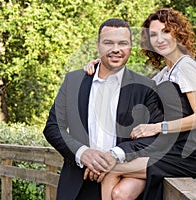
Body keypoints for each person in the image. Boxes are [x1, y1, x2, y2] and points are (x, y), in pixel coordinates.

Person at [83, 8, 196, 200]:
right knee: (120, 194)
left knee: (110, 169)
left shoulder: (186, 67)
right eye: (153, 35)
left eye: (166, 31)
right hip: (163, 148)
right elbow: (132, 83)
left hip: (185, 152)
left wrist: (157, 127)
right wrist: (101, 65)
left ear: (178, 32)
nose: (160, 39)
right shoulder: (163, 74)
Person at [43, 18, 164, 200]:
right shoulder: (74, 81)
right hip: (77, 185)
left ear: (130, 47)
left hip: (121, 186)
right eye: (108, 43)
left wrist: (115, 156)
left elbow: (154, 138)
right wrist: (83, 153)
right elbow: (52, 127)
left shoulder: (146, 87)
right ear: (98, 45)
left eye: (122, 43)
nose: (116, 49)